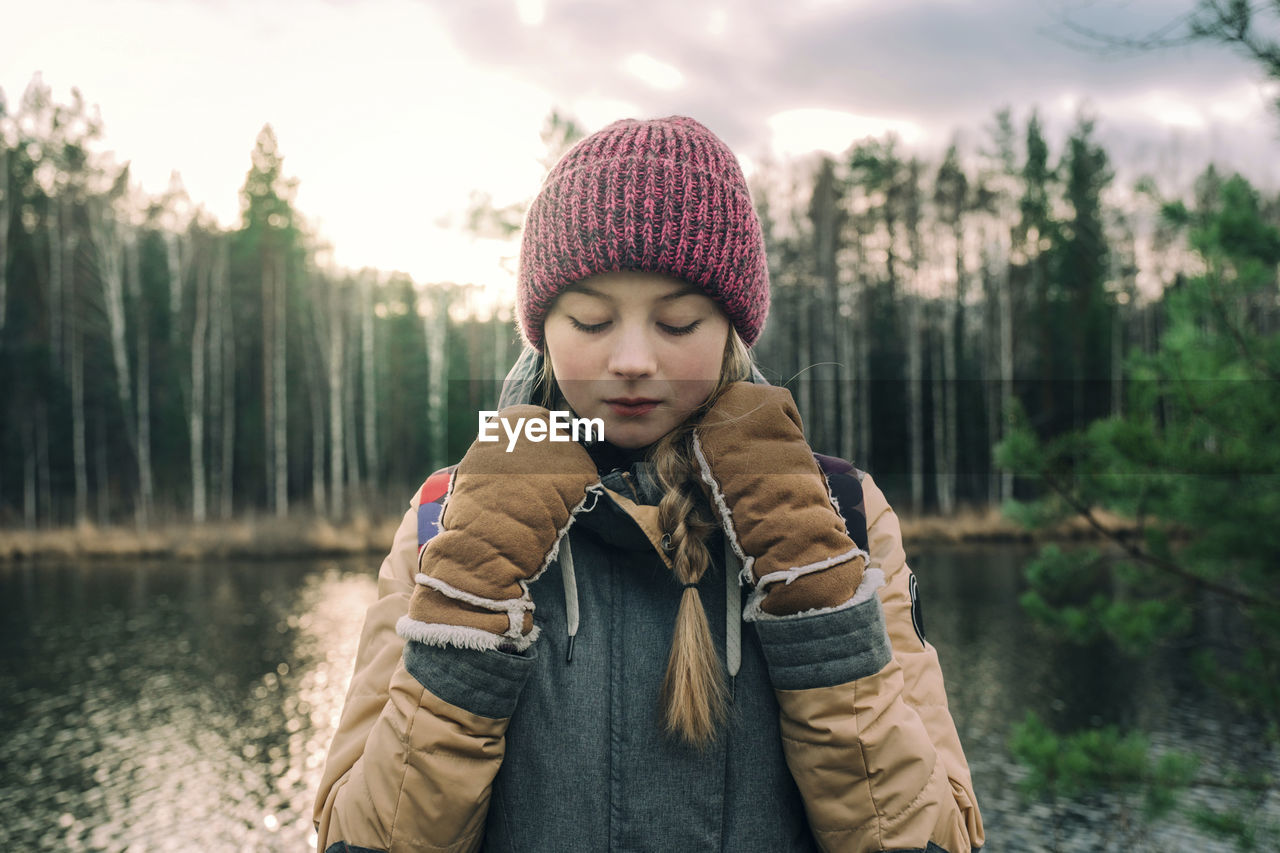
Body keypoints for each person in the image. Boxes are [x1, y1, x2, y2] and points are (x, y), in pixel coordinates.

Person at [313, 116, 985, 853]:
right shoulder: (445, 514)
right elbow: (360, 840)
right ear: (543, 327)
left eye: (677, 321)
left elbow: (935, 839)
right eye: (593, 319)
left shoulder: (843, 511)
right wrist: (466, 608)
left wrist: (812, 585)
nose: (631, 358)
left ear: (732, 325)